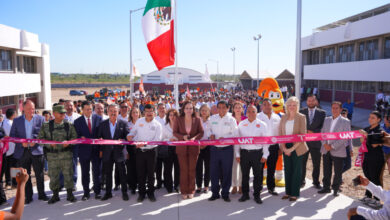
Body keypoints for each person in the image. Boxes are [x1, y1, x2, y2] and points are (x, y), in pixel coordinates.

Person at [38, 105, 78, 204]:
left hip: (66, 155)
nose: (63, 115)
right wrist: (48, 142)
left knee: (68, 175)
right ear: (54, 113)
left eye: (64, 113)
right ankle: (55, 196)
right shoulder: (46, 125)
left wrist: (68, 142)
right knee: (53, 176)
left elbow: (75, 139)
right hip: (52, 156)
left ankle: (70, 194)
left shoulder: (69, 125)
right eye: (61, 113)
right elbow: (40, 140)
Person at [10, 100, 48, 204]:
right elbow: (12, 136)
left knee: (39, 174)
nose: (32, 111)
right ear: (23, 109)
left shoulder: (40, 119)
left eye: (33, 108)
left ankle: (42, 194)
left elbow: (44, 134)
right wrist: (21, 143)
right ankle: (28, 196)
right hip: (22, 152)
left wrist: (35, 141)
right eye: (29, 109)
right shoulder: (17, 121)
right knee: (25, 176)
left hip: (37, 151)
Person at [127, 104, 162, 202]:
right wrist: (129, 136)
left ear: (154, 112)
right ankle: (141, 193)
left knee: (151, 174)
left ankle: (151, 193)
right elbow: (133, 132)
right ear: (144, 113)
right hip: (139, 152)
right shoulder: (139, 121)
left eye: (151, 111)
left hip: (151, 152)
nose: (149, 113)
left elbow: (157, 141)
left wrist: (144, 145)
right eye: (147, 111)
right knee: (141, 173)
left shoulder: (157, 125)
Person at [236, 105, 269, 204]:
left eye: (253, 111)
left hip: (257, 153)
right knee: (245, 175)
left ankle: (257, 195)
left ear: (257, 112)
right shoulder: (241, 124)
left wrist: (265, 155)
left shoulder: (262, 124)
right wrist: (237, 154)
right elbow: (237, 140)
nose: (251, 113)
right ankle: (245, 194)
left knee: (258, 175)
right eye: (249, 111)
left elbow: (266, 141)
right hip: (244, 153)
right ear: (246, 113)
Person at [97, 104, 129, 201]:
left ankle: (124, 192)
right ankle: (108, 193)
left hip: (119, 152)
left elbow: (127, 137)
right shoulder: (103, 124)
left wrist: (122, 140)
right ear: (107, 112)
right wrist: (101, 144)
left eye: (115, 111)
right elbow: (99, 138)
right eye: (111, 111)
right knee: (108, 174)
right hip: (107, 153)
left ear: (118, 112)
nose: (113, 113)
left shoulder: (123, 123)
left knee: (122, 173)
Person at [318, 101, 351, 197]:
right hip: (325, 149)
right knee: (326, 169)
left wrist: (332, 146)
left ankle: (335, 189)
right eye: (333, 108)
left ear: (341, 110)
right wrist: (325, 144)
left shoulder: (346, 122)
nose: (334, 110)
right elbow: (322, 133)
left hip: (338, 150)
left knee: (338, 171)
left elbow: (345, 137)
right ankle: (326, 187)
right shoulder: (326, 119)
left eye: (337, 108)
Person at [208, 100, 239, 202]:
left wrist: (225, 138)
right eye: (219, 107)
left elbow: (235, 134)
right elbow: (208, 130)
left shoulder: (231, 120)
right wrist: (210, 135)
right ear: (217, 108)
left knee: (227, 172)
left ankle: (225, 193)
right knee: (214, 172)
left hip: (227, 149)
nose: (221, 109)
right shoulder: (212, 118)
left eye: (223, 107)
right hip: (214, 149)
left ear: (228, 108)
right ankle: (215, 193)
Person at [279, 96, 308, 201]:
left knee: (296, 170)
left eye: (294, 105)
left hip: (297, 147)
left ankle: (295, 193)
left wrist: (291, 150)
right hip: (285, 146)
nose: (292, 107)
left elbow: (303, 136)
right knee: (288, 169)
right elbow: (280, 134)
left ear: (297, 106)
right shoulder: (283, 117)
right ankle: (288, 192)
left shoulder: (301, 117)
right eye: (290, 105)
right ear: (287, 106)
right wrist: (284, 148)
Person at [173, 101, 204, 199]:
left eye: (190, 108)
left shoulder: (198, 119)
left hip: (193, 149)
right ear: (183, 109)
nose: (189, 110)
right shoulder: (178, 119)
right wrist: (183, 137)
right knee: (183, 170)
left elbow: (201, 132)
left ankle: (191, 190)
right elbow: (175, 132)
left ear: (193, 109)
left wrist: (194, 138)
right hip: (182, 149)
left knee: (191, 169)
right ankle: (184, 190)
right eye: (187, 108)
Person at [74, 101, 103, 200]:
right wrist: (80, 137)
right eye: (87, 109)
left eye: (90, 109)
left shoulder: (98, 118)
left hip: (96, 151)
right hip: (84, 151)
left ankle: (97, 191)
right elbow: (75, 136)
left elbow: (101, 134)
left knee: (97, 172)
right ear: (82, 110)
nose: (89, 111)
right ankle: (86, 193)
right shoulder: (77, 121)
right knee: (85, 173)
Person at [359, 111, 386, 208]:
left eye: (373, 118)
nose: (370, 119)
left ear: (379, 120)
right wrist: (363, 137)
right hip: (366, 157)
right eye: (370, 117)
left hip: (376, 158)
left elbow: (374, 145)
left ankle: (377, 200)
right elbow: (362, 142)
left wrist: (366, 136)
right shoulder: (367, 128)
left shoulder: (380, 130)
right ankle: (368, 196)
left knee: (375, 179)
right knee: (368, 177)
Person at [300, 94, 326, 189]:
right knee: (302, 163)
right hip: (304, 143)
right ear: (306, 102)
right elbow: (298, 126)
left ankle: (316, 181)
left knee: (316, 163)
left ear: (316, 101)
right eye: (309, 101)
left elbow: (324, 128)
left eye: (312, 100)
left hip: (316, 143)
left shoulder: (322, 113)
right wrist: (305, 131)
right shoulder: (301, 111)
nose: (310, 102)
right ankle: (301, 180)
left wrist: (314, 132)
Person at [257, 98, 281, 195]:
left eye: (269, 104)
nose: (267, 106)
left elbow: (280, 133)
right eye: (265, 104)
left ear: (272, 105)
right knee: (259, 168)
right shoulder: (258, 116)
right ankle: (258, 187)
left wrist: (280, 147)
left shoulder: (277, 117)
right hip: (261, 147)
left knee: (272, 168)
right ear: (262, 106)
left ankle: (271, 187)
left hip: (274, 147)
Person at [161, 108, 180, 193]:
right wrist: (169, 139)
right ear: (168, 116)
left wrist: (177, 139)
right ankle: (168, 186)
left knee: (178, 168)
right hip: (168, 148)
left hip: (178, 148)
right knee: (167, 168)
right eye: (170, 115)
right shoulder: (164, 126)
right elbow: (162, 138)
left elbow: (183, 136)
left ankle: (177, 185)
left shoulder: (180, 126)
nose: (172, 117)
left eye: (174, 115)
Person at [196, 104, 211, 194]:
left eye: (206, 110)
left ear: (209, 112)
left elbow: (213, 133)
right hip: (198, 146)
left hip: (208, 146)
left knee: (208, 167)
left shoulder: (212, 121)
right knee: (198, 167)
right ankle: (198, 186)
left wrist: (206, 143)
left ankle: (206, 186)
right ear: (200, 111)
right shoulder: (197, 121)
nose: (204, 112)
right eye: (202, 110)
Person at [1, 109, 17, 189]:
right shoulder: (11, 124)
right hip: (12, 148)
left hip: (5, 149)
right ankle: (14, 182)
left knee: (7, 167)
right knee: (14, 166)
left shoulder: (3, 122)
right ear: (13, 115)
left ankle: (8, 182)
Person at [231, 102, 245, 195]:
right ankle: (234, 186)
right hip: (232, 145)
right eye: (236, 107)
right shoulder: (230, 119)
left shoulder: (246, 119)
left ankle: (241, 185)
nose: (238, 109)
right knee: (233, 166)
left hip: (244, 146)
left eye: (239, 107)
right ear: (233, 109)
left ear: (242, 109)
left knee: (242, 167)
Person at [126, 107, 140, 194]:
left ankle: (141, 184)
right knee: (131, 168)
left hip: (140, 148)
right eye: (133, 112)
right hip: (130, 149)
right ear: (131, 114)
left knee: (140, 168)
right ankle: (132, 186)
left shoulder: (143, 123)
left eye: (137, 112)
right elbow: (125, 138)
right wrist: (126, 152)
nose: (135, 114)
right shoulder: (127, 124)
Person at [155, 103, 167, 189]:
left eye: (163, 108)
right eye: (160, 108)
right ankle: (159, 182)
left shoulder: (169, 119)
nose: (162, 110)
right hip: (157, 145)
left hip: (167, 145)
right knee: (158, 166)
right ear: (157, 110)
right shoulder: (155, 119)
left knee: (167, 166)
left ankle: (166, 181)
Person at [341, 108, 354, 174]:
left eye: (344, 113)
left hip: (346, 147)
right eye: (342, 113)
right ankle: (338, 178)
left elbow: (350, 137)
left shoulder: (348, 122)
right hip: (339, 148)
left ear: (346, 114)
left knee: (348, 165)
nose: (343, 114)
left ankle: (338, 175)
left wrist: (351, 149)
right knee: (341, 165)